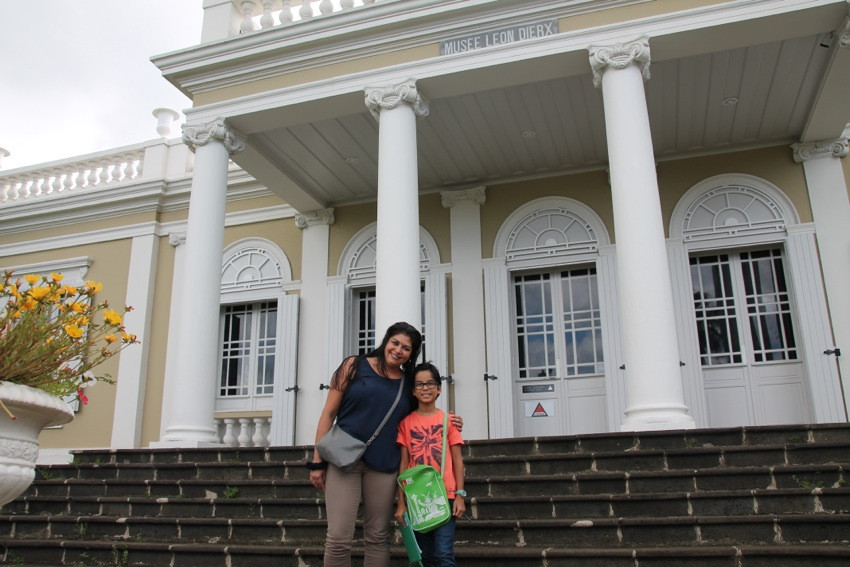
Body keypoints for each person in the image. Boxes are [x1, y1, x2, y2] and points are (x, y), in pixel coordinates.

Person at [308, 322, 462, 567]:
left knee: (378, 536)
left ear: (411, 354)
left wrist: (448, 421)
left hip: (383, 466)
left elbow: (424, 411)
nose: (398, 350)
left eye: (406, 348)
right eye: (395, 343)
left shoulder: (407, 383)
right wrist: (316, 461)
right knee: (338, 537)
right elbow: (328, 414)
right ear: (386, 341)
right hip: (342, 460)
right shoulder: (352, 365)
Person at [395, 362, 465, 567]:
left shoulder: (448, 421)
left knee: (444, 553)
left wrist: (460, 495)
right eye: (419, 384)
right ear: (413, 391)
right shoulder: (405, 423)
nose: (425, 388)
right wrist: (401, 503)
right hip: (417, 499)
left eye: (430, 383)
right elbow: (404, 465)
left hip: (446, 497)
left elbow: (458, 461)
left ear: (439, 389)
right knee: (425, 556)